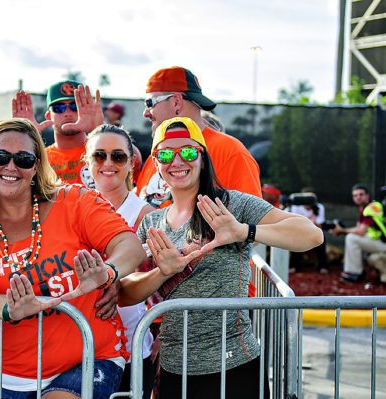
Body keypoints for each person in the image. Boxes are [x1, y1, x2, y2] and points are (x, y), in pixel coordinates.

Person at [0, 118, 146, 398]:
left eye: (23, 159)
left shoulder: (74, 201)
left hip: (89, 358)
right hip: (11, 376)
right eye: (0, 157)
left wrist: (108, 272)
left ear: (36, 166)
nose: (11, 167)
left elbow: (129, 245)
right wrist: (9, 308)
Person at [120, 117, 323, 398]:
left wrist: (243, 231)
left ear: (202, 159)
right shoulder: (152, 222)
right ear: (156, 164)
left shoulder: (230, 205)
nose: (177, 161)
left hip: (234, 365)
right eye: (165, 154)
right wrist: (162, 272)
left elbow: (311, 235)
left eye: (188, 152)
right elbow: (125, 294)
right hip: (173, 366)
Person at [84, 124, 156, 398]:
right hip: (80, 346)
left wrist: (163, 333)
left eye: (118, 156)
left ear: (131, 163)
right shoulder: (72, 206)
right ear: (88, 162)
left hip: (133, 346)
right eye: (99, 156)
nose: (108, 164)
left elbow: (167, 280)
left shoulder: (146, 214)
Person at [135, 66, 262, 208]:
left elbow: (252, 220)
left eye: (150, 103)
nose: (145, 113)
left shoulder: (229, 151)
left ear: (176, 101)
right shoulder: (158, 153)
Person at [11, 81, 103, 188]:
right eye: (59, 108)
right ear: (49, 116)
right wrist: (22, 138)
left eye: (75, 107)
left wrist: (100, 131)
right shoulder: (40, 159)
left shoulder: (104, 151)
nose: (67, 113)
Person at [330, 183, 386, 282]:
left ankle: (354, 273)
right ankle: (352, 268)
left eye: (361, 194)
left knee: (351, 238)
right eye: (355, 195)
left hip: (383, 243)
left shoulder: (371, 208)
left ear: (367, 195)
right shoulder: (364, 208)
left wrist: (341, 231)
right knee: (352, 237)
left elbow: (360, 231)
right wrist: (341, 230)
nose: (358, 197)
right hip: (378, 241)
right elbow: (358, 228)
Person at [289, 188, 329, 274]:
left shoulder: (319, 207)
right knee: (295, 240)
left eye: (310, 199)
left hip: (314, 232)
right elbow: (295, 225)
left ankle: (323, 266)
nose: (307, 202)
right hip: (299, 233)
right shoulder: (295, 207)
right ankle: (294, 266)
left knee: (322, 239)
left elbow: (319, 225)